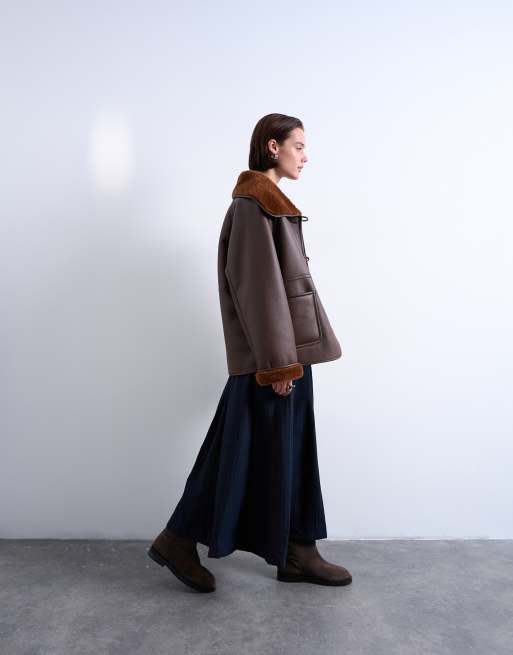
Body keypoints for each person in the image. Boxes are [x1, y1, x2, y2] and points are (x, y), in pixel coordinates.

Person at [147, 113, 352, 593]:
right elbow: (259, 291)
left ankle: (296, 550)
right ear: (272, 146)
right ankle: (181, 539)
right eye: (299, 146)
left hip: (286, 354)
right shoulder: (253, 205)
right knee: (237, 451)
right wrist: (278, 364)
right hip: (273, 360)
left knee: (281, 448)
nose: (306, 156)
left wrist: (287, 359)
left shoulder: (268, 203)